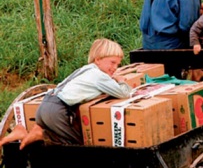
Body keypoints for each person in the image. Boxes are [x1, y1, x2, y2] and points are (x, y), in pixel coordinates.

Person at [0, 38, 132, 149]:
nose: (115, 68)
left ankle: (24, 132)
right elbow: (124, 93)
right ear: (97, 60)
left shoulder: (84, 70)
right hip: (58, 110)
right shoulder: (99, 76)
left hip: (45, 105)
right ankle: (41, 134)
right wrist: (120, 80)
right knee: (77, 145)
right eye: (112, 63)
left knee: (61, 135)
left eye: (118, 64)